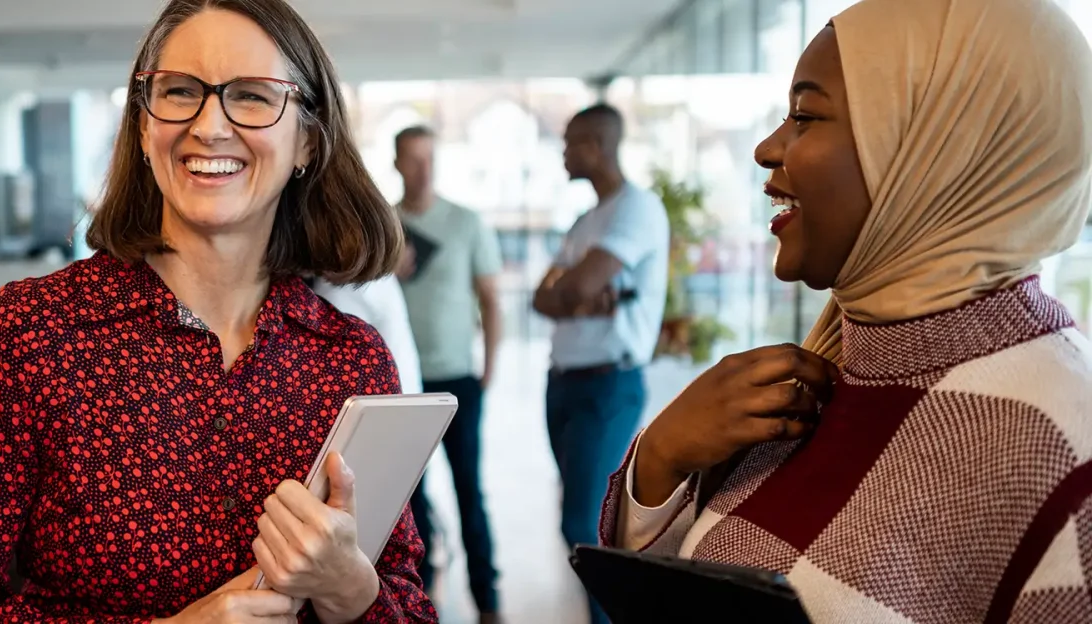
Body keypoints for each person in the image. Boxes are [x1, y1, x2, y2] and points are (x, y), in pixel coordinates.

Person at [0, 1, 435, 622]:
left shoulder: (350, 358)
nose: (209, 125)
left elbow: (408, 602)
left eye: (251, 96)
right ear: (144, 127)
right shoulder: (35, 332)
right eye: (179, 92)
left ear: (306, 139)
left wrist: (350, 587)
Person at [602, 0, 1092, 621]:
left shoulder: (1060, 447)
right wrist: (661, 459)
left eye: (805, 116)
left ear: (935, 150)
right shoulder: (823, 374)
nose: (766, 148)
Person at [532, 103, 667, 623]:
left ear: (595, 145)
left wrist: (574, 293)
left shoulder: (637, 208)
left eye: (569, 142)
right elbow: (543, 299)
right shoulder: (587, 221)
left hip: (607, 385)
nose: (563, 152)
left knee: (585, 524)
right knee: (580, 521)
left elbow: (573, 286)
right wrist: (577, 295)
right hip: (564, 383)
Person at [393, 125, 504, 622]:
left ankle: (488, 598)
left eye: (430, 159)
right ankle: (422, 594)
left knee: (468, 489)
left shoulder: (466, 222)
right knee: (408, 499)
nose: (423, 170)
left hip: (458, 377)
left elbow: (491, 298)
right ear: (397, 164)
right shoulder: (384, 226)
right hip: (402, 384)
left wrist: (489, 367)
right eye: (413, 160)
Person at [310, 275, 422, 395]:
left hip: (386, 402)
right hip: (403, 396)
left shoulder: (344, 291)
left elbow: (335, 375)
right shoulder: (380, 281)